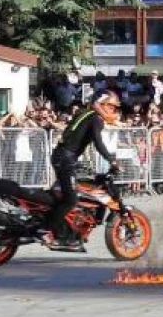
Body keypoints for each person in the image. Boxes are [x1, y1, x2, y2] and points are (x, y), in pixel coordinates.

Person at [42, 91, 122, 248]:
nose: (113, 111)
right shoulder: (95, 119)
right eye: (112, 107)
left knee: (65, 193)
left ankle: (63, 228)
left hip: (62, 156)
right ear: (102, 105)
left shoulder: (84, 114)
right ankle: (45, 230)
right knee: (71, 199)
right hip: (66, 159)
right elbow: (98, 143)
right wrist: (112, 160)